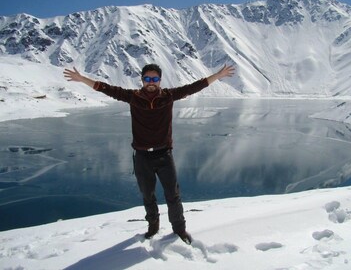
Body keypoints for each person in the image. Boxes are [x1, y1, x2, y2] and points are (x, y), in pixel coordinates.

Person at [63, 64, 235, 244]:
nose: (151, 82)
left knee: (173, 195)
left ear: (160, 80)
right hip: (142, 156)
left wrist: (218, 75)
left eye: (154, 79)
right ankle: (153, 226)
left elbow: (194, 87)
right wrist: (82, 79)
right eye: (147, 79)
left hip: (164, 155)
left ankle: (179, 230)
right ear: (142, 80)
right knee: (148, 195)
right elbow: (106, 88)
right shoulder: (133, 97)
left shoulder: (168, 96)